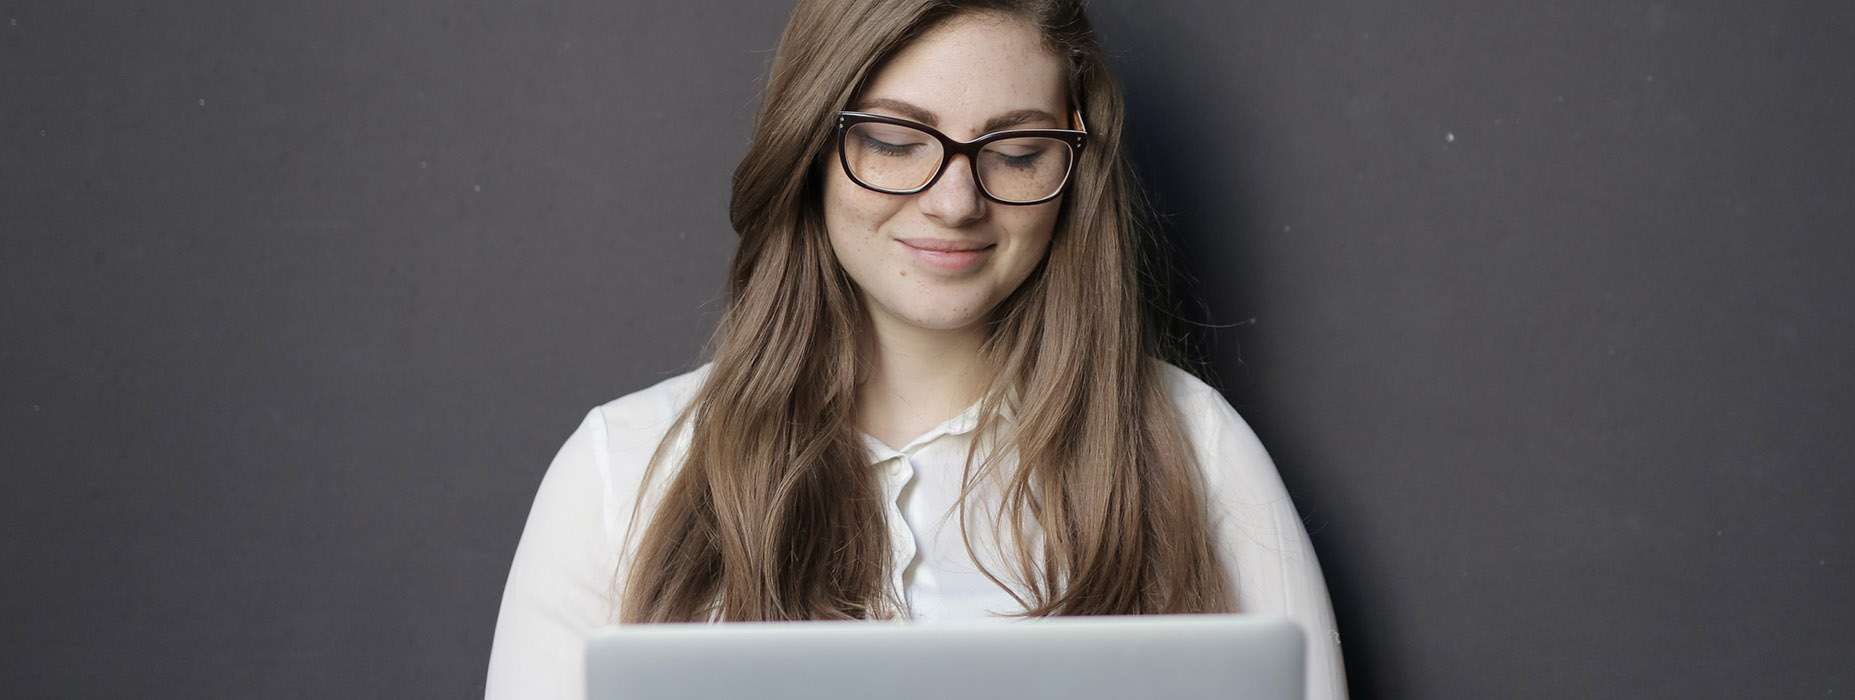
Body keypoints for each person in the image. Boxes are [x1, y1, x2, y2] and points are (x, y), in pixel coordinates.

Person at [484, 1, 1348, 698]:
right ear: (810, 148)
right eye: (896, 143)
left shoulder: (1196, 451)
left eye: (1015, 152)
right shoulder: (619, 472)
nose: (955, 201)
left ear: (1073, 165)